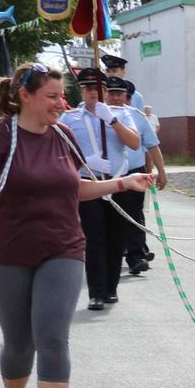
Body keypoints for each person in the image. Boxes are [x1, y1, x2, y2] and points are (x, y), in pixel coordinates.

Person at [0, 63, 153, 388]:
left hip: (62, 247)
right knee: (19, 342)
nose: (61, 104)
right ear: (25, 96)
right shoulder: (0, 134)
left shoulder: (63, 134)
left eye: (62, 96)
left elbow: (73, 186)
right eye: (51, 96)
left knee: (52, 337)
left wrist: (122, 183)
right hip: (5, 252)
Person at [59, 68, 143, 311]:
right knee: (93, 239)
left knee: (116, 237)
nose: (93, 93)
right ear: (81, 91)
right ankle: (96, 292)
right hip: (89, 184)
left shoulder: (121, 114)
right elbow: (58, 150)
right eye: (88, 89)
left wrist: (113, 121)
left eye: (98, 89)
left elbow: (134, 143)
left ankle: (110, 288)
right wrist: (85, 160)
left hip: (118, 182)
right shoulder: (70, 118)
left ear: (105, 91)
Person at [105, 77, 161, 274]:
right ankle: (112, 253)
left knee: (134, 215)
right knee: (111, 216)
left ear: (126, 97)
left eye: (119, 94)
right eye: (111, 93)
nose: (115, 98)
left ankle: (136, 257)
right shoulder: (96, 116)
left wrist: (161, 172)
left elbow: (152, 145)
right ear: (106, 94)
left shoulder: (137, 116)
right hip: (108, 175)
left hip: (135, 171)